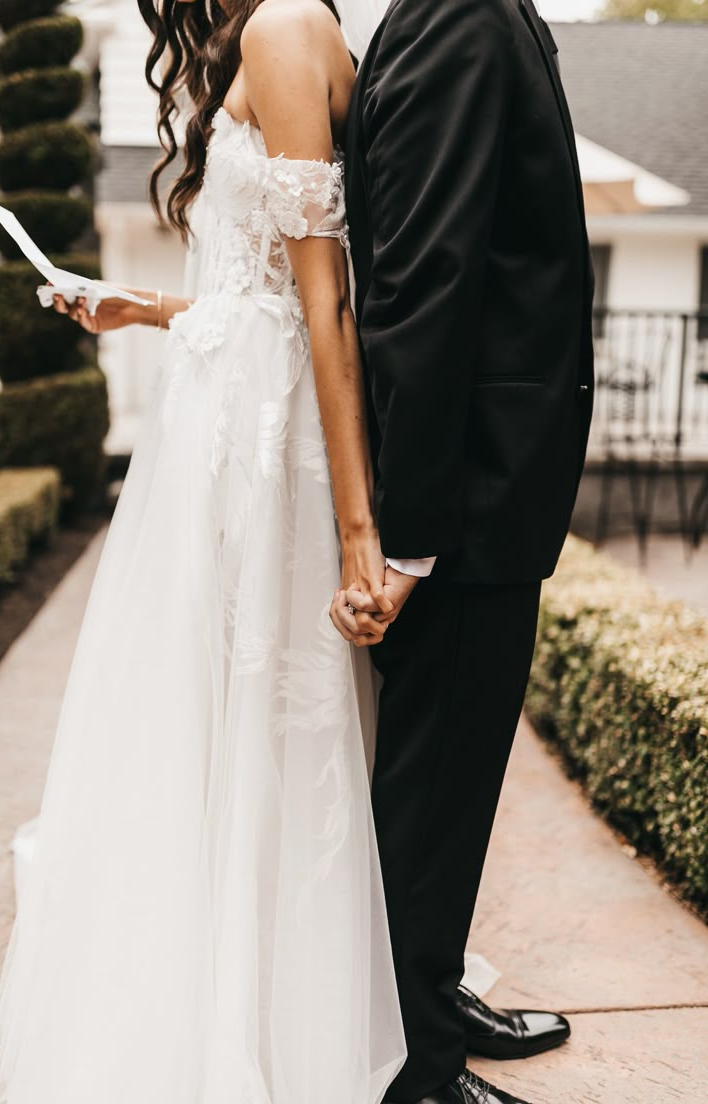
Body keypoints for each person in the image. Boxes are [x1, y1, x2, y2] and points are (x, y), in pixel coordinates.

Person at [0, 2, 407, 1103]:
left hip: (268, 452)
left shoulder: (281, 33)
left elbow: (325, 308)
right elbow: (253, 297)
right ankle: (229, 990)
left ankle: (262, 1021)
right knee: (209, 716)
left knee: (260, 711)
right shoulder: (256, 34)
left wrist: (359, 534)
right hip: (220, 430)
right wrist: (151, 309)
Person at [330, 0, 595, 1102]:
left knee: (447, 785)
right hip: (468, 496)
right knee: (432, 794)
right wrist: (415, 533)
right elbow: (422, 283)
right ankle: (417, 1072)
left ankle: (427, 995)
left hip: (484, 485)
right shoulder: (462, 19)